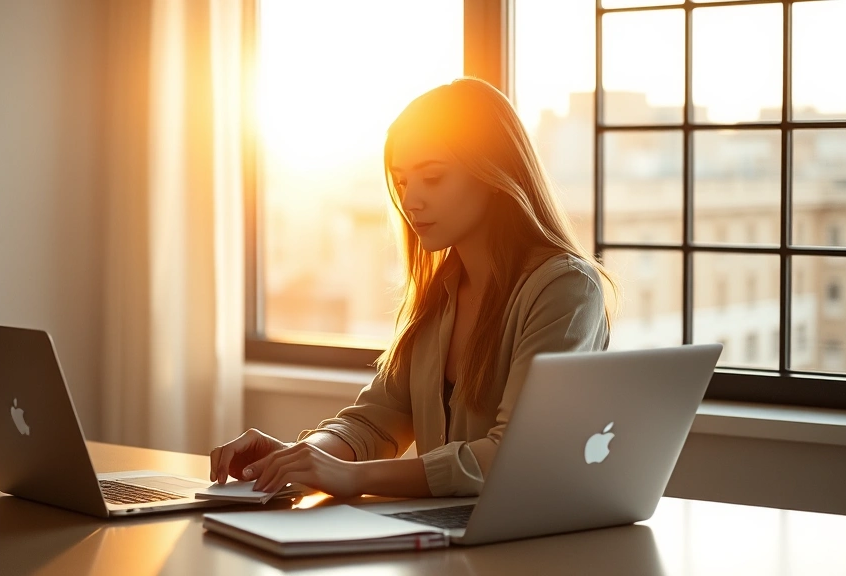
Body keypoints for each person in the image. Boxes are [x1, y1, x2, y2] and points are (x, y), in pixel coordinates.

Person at [209, 77, 618, 499]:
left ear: (494, 174)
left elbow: (512, 456)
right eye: (402, 181)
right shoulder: (439, 293)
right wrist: (299, 457)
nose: (410, 200)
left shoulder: (565, 289)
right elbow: (375, 420)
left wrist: (354, 477)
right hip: (446, 537)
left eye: (433, 178)